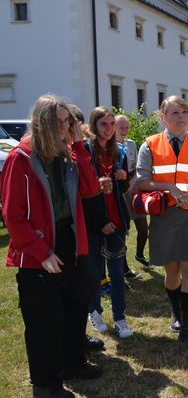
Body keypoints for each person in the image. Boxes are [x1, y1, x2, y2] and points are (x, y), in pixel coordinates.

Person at [0, 95, 102, 398]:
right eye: (59, 123)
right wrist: (40, 251)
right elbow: (12, 214)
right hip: (39, 251)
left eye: (68, 123)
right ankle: (45, 385)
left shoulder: (68, 154)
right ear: (42, 123)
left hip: (70, 242)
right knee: (44, 319)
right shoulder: (21, 159)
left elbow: (91, 188)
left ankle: (72, 363)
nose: (65, 129)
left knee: (75, 306)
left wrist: (81, 146)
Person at [136, 95, 188, 351]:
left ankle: (187, 328)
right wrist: (169, 188)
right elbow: (141, 181)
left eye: (184, 113)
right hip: (164, 215)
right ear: (163, 117)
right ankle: (176, 313)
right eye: (174, 113)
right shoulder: (150, 144)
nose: (180, 117)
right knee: (172, 272)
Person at [83, 107, 133, 339]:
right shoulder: (85, 152)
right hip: (94, 222)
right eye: (104, 124)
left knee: (116, 271)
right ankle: (95, 311)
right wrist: (101, 221)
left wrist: (123, 180)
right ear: (94, 126)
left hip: (116, 219)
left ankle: (120, 317)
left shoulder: (119, 150)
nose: (109, 128)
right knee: (94, 272)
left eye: (112, 123)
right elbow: (84, 194)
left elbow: (122, 189)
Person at [68, 103, 106, 352]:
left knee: (85, 284)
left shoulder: (80, 151)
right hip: (69, 231)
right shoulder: (60, 154)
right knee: (75, 289)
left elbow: (90, 188)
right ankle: (72, 341)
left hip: (84, 226)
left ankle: (78, 337)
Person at [115, 114, 147, 277]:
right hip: (120, 192)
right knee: (124, 231)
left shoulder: (131, 144)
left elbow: (136, 167)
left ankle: (140, 254)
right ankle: (124, 268)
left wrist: (133, 182)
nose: (124, 130)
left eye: (127, 127)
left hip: (133, 190)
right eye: (121, 127)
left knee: (143, 228)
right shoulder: (109, 147)